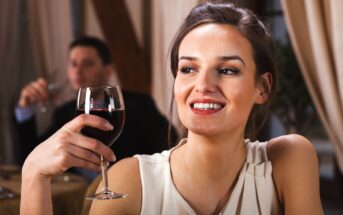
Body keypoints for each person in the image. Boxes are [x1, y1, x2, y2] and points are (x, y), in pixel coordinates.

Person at [20, 2, 323, 215]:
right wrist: (33, 174)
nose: (202, 85)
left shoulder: (289, 160)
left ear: (262, 88)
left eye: (228, 70)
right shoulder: (130, 180)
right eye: (189, 69)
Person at [15, 36, 176, 181]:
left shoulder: (138, 105)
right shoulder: (64, 113)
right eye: (73, 64)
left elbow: (170, 146)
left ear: (108, 70)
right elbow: (34, 158)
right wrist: (25, 109)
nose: (78, 71)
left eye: (88, 64)